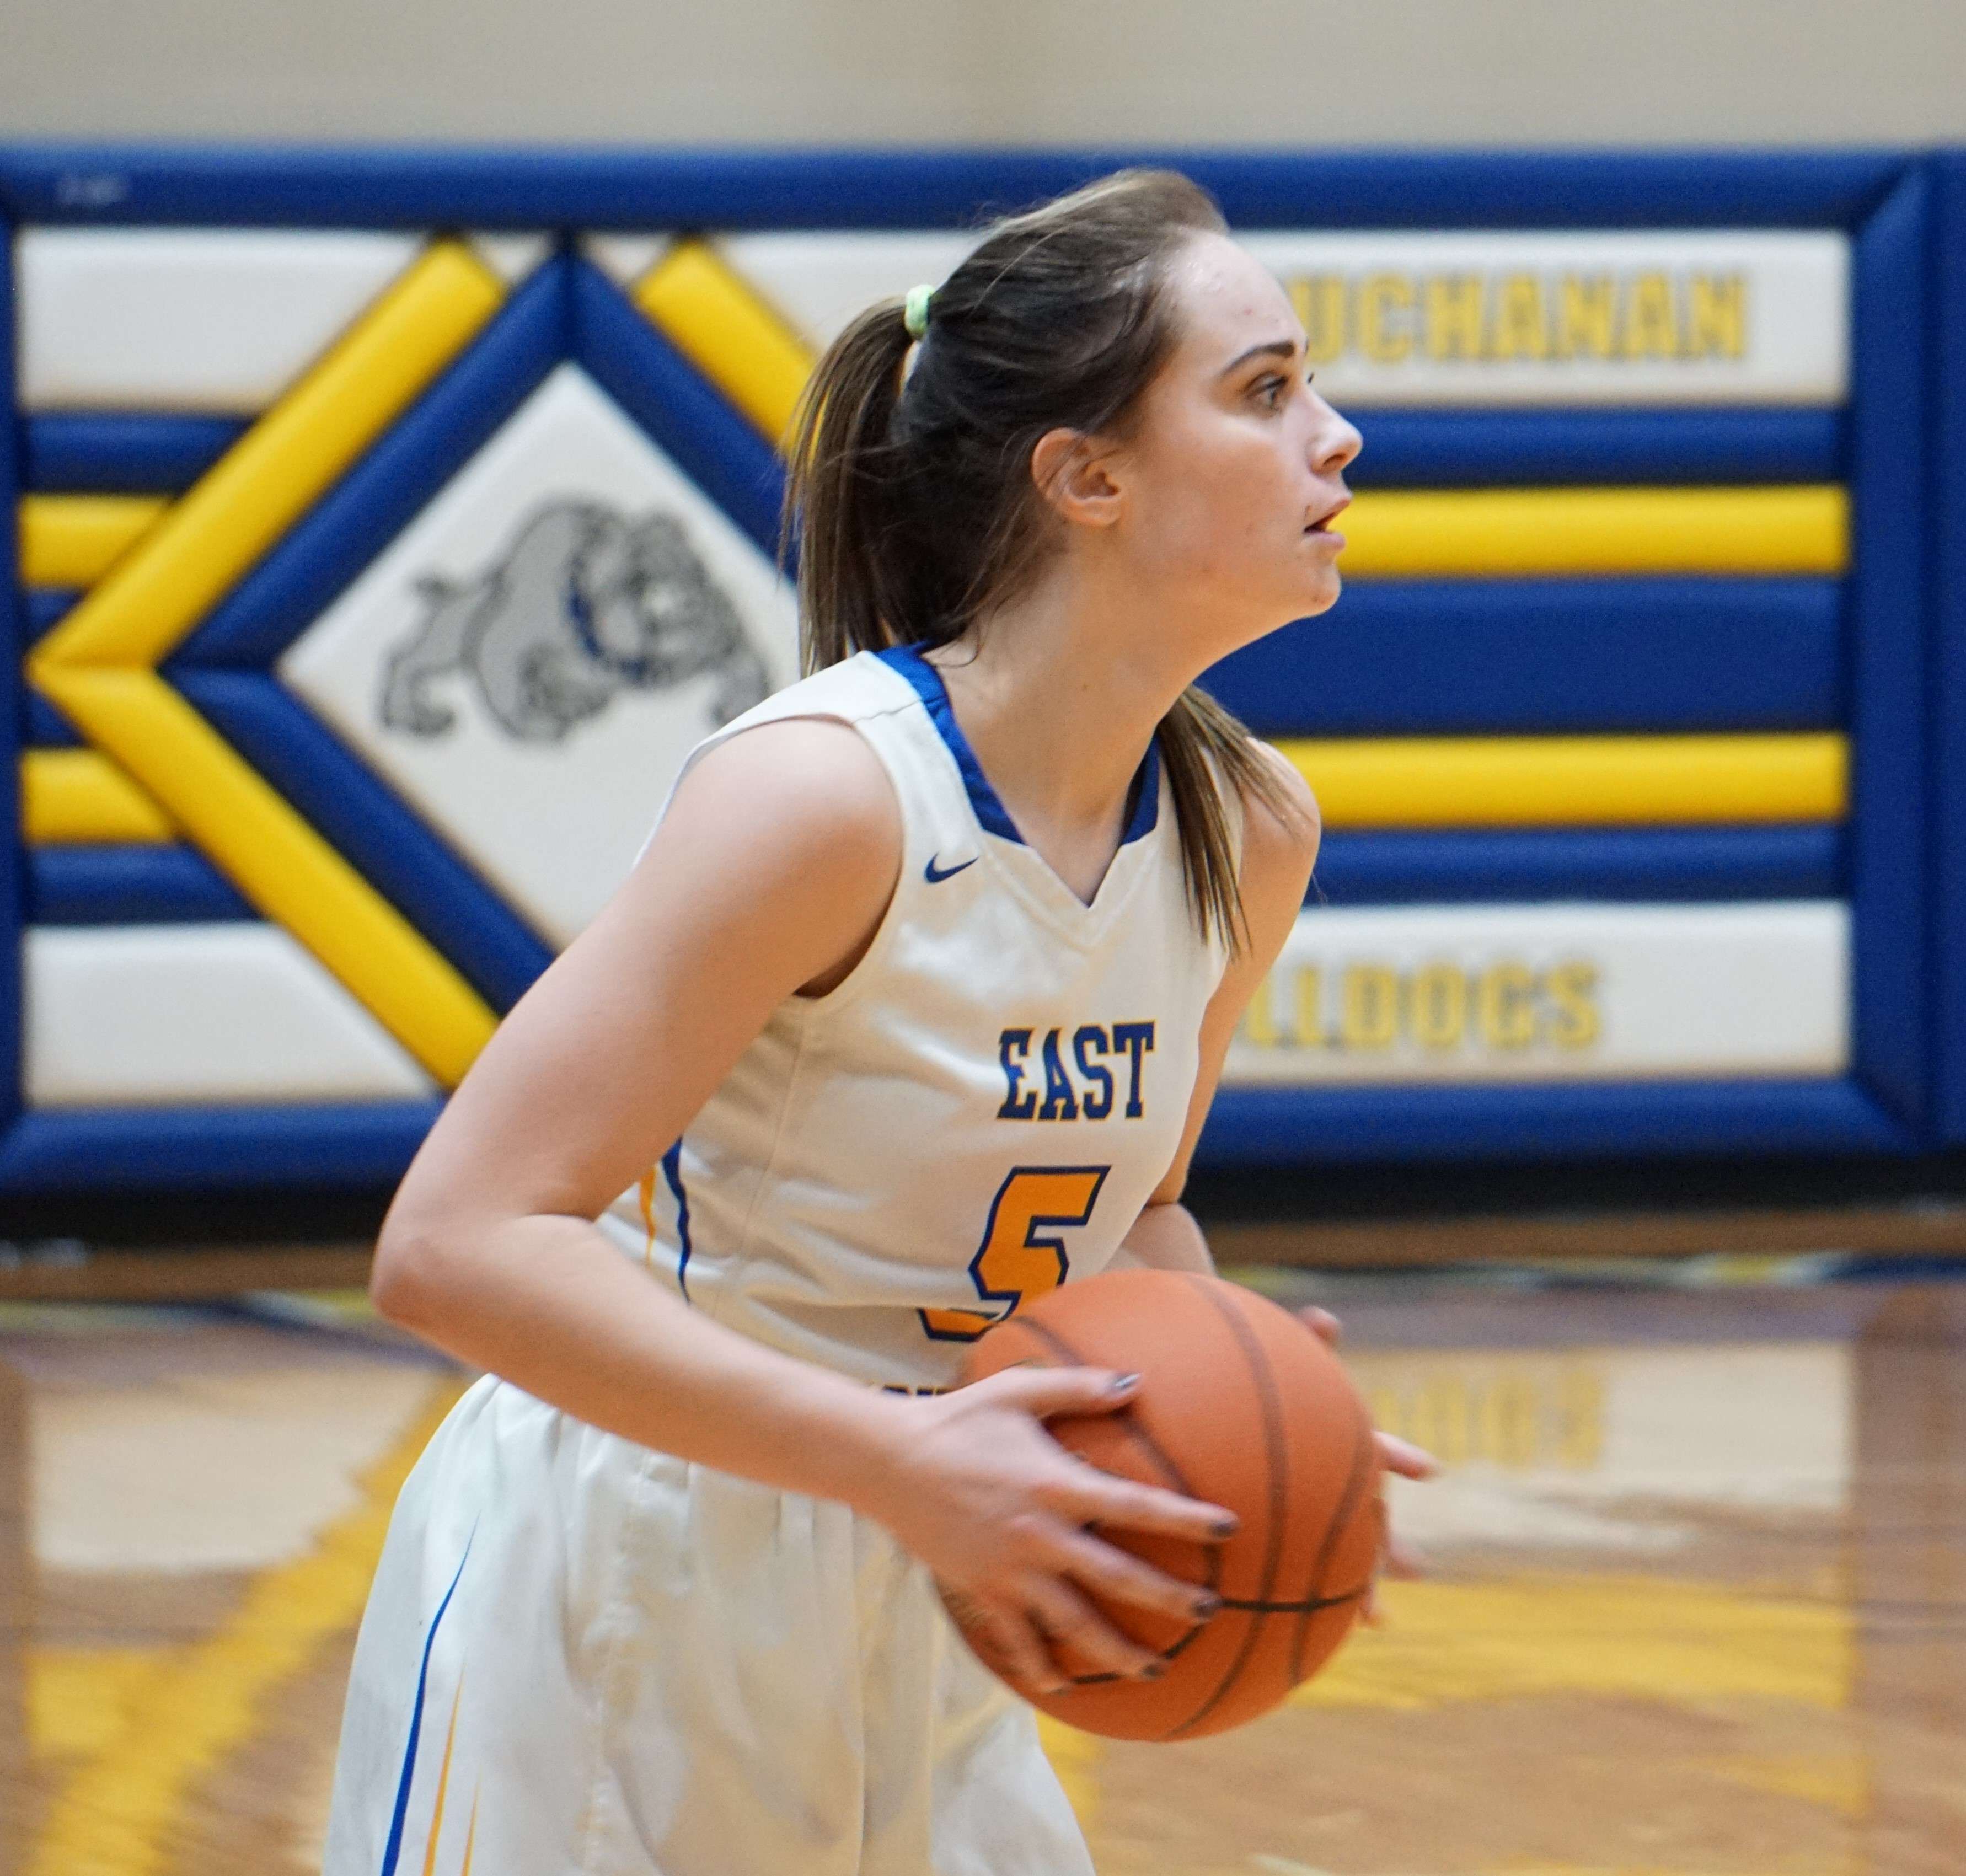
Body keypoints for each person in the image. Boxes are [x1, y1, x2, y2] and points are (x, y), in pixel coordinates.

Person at [324, 167, 1430, 1876]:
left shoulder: (1247, 831)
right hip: (638, 1580)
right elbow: (455, 1241)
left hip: (949, 1566)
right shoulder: (825, 799)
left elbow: (1133, 1208)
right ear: (1089, 477)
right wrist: (903, 1460)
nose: (1337, 436)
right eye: (1268, 388)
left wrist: (1251, 1423)